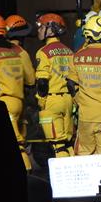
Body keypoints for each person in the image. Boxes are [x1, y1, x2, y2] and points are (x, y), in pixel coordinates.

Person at [0, 13, 35, 171]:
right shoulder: (15, 53)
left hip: (3, 104)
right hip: (19, 102)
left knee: (15, 143)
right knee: (18, 139)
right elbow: (30, 81)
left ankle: (26, 174)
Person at [66, 16, 101, 158]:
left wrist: (79, 100)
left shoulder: (76, 56)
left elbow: (70, 84)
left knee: (84, 154)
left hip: (85, 116)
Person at [35, 13, 75, 157]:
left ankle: (64, 178)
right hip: (68, 101)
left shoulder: (43, 52)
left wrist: (41, 101)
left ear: (51, 30)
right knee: (68, 143)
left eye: (41, 27)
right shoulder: (69, 51)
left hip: (52, 100)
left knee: (57, 145)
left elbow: (42, 81)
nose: (38, 30)